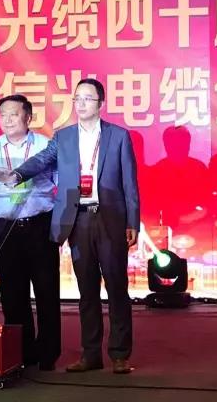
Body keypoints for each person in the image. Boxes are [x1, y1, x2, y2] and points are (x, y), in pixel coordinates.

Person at [13, 79, 139, 374]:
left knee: (117, 287)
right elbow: (42, 160)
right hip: (78, 219)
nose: (80, 104)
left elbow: (130, 183)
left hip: (110, 218)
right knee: (86, 290)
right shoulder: (64, 137)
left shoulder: (119, 136)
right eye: (77, 98)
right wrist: (17, 174)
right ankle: (91, 354)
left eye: (87, 98)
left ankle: (120, 354)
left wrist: (132, 220)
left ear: (100, 103)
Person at [0, 94, 60, 370]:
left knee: (46, 291)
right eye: (3, 115)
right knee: (12, 294)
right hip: (5, 228)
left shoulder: (44, 145)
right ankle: (23, 352)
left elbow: (60, 180)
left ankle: (48, 354)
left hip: (39, 224)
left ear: (28, 117)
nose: (7, 120)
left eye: (13, 114)